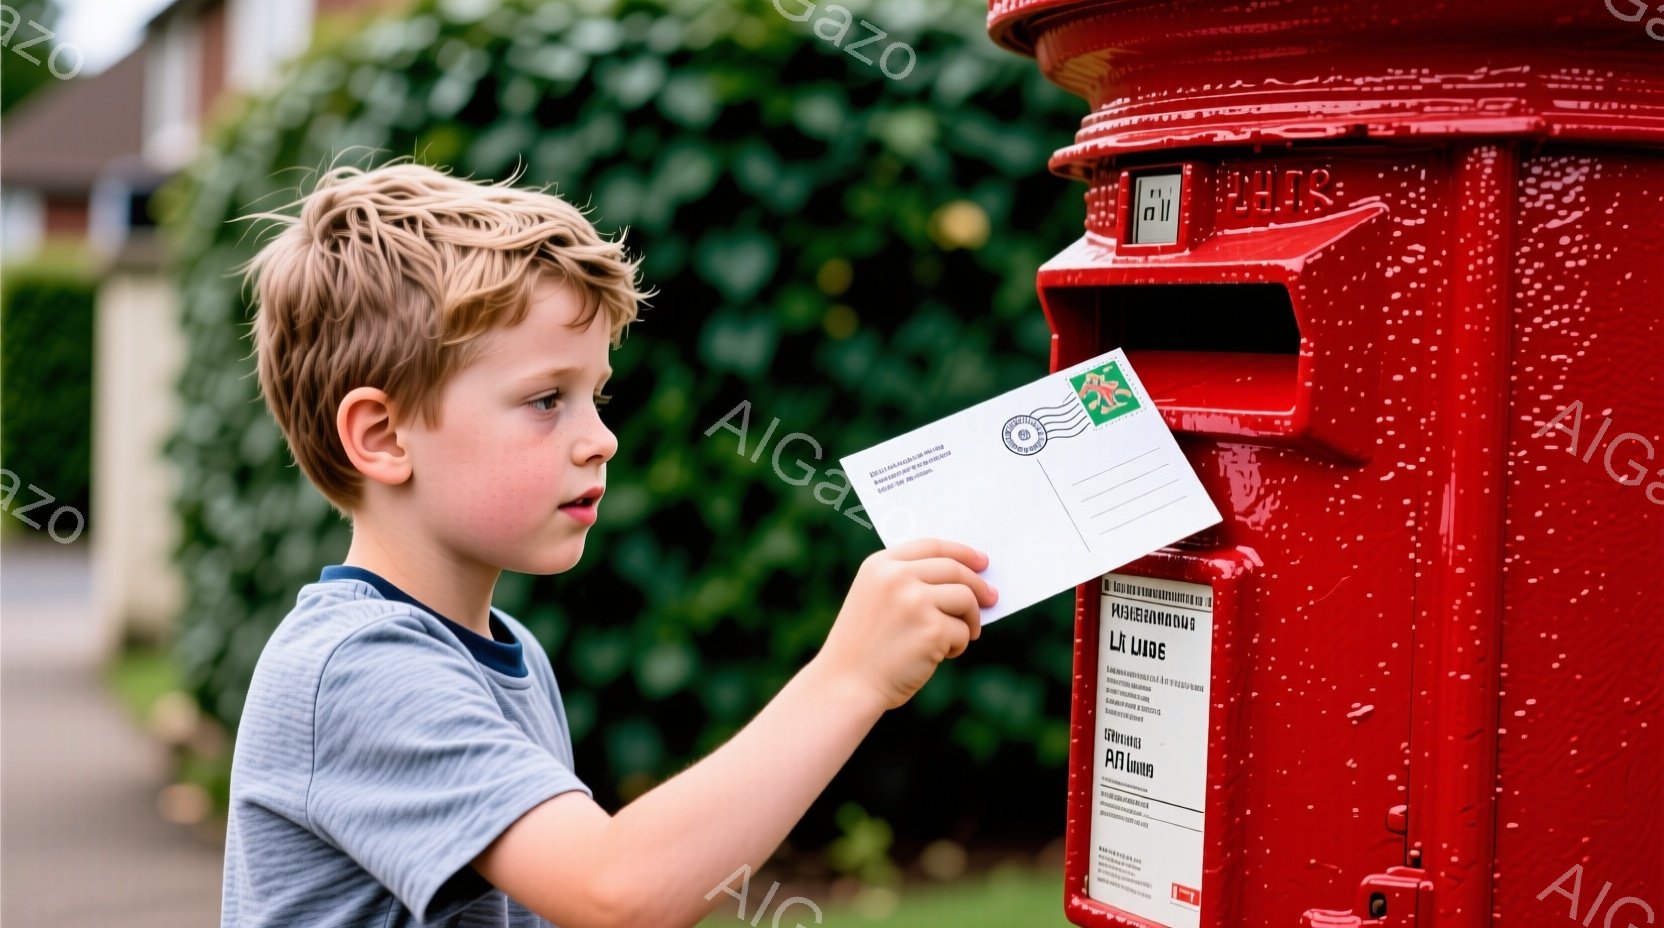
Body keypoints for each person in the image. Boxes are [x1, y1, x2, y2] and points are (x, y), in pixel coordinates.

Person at [220, 161, 996, 928]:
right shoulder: (353, 668)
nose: (601, 440)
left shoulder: (506, 650)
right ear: (385, 436)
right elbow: (614, 891)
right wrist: (849, 676)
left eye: (597, 394)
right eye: (546, 399)